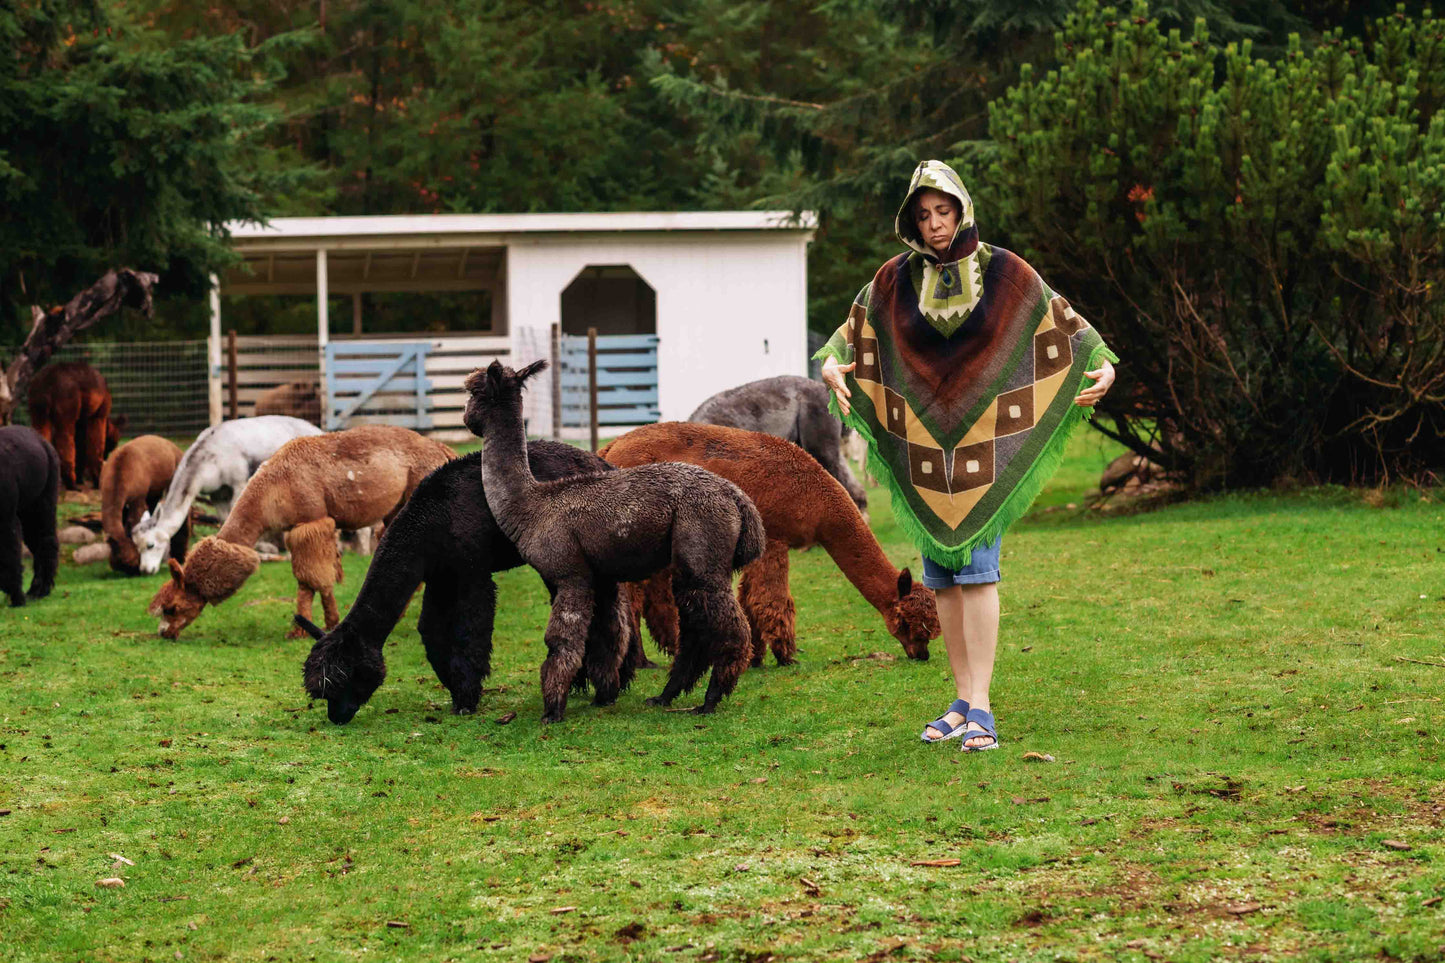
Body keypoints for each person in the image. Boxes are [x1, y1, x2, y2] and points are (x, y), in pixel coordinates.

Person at [817, 160, 1117, 751]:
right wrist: (829, 361)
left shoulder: (1005, 272)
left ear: (962, 209)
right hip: (924, 453)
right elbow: (847, 333)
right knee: (944, 581)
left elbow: (1066, 322)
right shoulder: (894, 280)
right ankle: (960, 699)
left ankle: (983, 706)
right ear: (911, 219)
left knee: (979, 575)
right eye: (924, 215)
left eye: (944, 211)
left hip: (988, 445)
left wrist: (1103, 362)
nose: (935, 224)